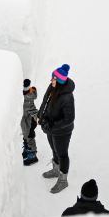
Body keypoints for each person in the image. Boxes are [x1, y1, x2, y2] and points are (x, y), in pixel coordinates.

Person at [38, 64, 76, 194]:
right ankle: (56, 169)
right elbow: (45, 101)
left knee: (62, 153)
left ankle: (63, 180)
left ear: (59, 81)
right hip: (50, 128)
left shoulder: (67, 97)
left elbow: (69, 119)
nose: (50, 81)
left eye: (53, 79)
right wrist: (41, 116)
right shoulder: (53, 88)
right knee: (54, 149)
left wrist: (52, 126)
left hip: (62, 131)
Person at [21, 79, 40, 165]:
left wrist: (38, 117)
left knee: (29, 137)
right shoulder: (27, 97)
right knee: (26, 136)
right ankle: (27, 149)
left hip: (30, 121)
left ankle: (32, 155)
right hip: (26, 122)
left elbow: (33, 110)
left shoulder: (28, 99)